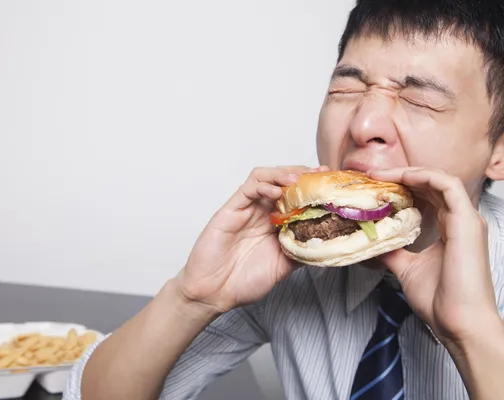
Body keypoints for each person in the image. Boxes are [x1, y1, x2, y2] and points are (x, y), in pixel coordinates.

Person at [64, 0, 504, 399]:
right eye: (346, 90)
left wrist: (473, 337)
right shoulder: (285, 257)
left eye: (419, 99)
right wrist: (191, 299)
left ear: (498, 150)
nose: (363, 123)